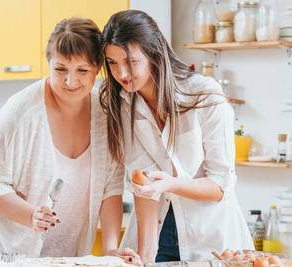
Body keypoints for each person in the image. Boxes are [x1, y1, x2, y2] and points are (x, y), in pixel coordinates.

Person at [0, 17, 141, 264]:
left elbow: (111, 189)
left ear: (98, 67)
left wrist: (111, 251)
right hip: (16, 258)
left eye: (82, 71)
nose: (70, 82)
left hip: (70, 258)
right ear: (49, 64)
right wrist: (31, 216)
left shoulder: (105, 113)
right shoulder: (20, 112)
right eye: (60, 69)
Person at [99, 10, 254, 264]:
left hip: (211, 239)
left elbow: (220, 185)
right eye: (113, 63)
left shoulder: (205, 96)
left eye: (131, 62)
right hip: (159, 231)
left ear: (153, 53)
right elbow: (144, 188)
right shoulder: (122, 105)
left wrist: (170, 184)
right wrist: (147, 256)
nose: (122, 73)